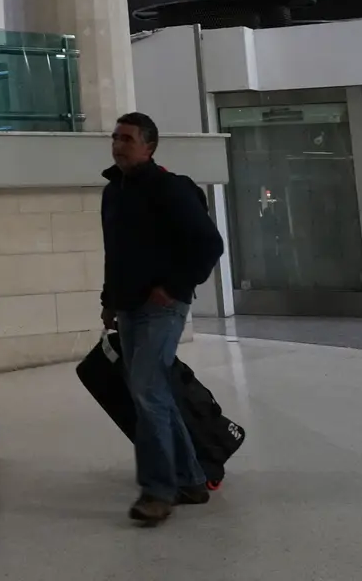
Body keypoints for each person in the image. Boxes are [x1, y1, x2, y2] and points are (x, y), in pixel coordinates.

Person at [100, 112, 224, 526]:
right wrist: (109, 300)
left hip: (163, 306)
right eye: (115, 137)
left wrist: (172, 286)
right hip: (130, 305)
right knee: (152, 393)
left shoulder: (169, 189)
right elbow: (114, 253)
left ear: (150, 147)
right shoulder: (114, 192)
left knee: (147, 391)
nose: (119, 145)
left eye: (128, 139)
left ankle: (158, 491)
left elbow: (208, 244)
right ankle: (189, 478)